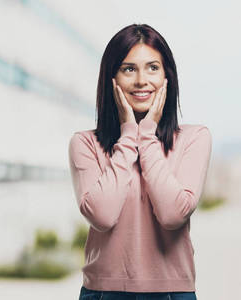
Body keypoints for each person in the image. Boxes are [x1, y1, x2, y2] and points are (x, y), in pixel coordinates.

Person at [68, 23, 211, 300]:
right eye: (128, 68)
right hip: (103, 292)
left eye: (152, 67)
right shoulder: (84, 143)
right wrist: (127, 135)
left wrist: (146, 136)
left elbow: (172, 215)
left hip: (172, 292)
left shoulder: (194, 139)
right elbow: (102, 215)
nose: (141, 80)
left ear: (167, 76)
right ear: (112, 78)